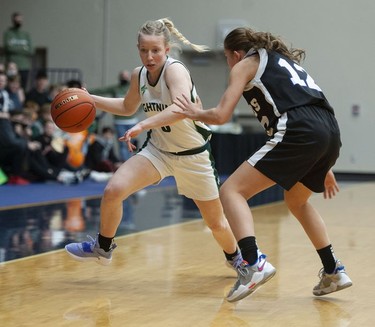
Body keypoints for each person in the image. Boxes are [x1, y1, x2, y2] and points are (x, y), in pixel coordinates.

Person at [173, 27, 352, 302]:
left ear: (235, 54)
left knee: (231, 192)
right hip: (329, 131)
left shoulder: (245, 64)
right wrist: (323, 163)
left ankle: (253, 263)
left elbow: (221, 115)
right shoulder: (283, 62)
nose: (229, 64)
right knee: (297, 201)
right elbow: (311, 108)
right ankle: (333, 270)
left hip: (300, 130)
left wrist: (196, 112)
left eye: (226, 58)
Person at [65, 18, 245, 279]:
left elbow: (180, 109)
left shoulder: (176, 71)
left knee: (216, 223)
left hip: (193, 155)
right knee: (113, 190)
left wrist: (142, 125)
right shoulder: (139, 74)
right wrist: (91, 99)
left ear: (167, 50)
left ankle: (236, 259)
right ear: (138, 49)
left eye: (155, 51)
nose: (149, 56)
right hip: (159, 151)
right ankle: (103, 247)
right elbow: (127, 107)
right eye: (144, 50)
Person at [90, 70, 139, 161]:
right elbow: (101, 90)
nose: (124, 78)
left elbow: (142, 99)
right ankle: (125, 163)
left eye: (126, 76)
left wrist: (136, 110)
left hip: (132, 121)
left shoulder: (132, 88)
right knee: (123, 144)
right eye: (122, 76)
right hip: (119, 121)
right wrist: (85, 92)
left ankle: (132, 163)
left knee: (132, 143)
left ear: (129, 78)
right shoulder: (115, 88)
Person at [2, 12, 33, 90]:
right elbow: (8, 48)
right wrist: (23, 48)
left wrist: (15, 48)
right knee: (9, 86)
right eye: (17, 20)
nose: (18, 21)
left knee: (22, 88)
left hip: (24, 66)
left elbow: (31, 50)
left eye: (20, 20)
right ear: (13, 20)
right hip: (11, 66)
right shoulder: (8, 34)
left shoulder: (26, 35)